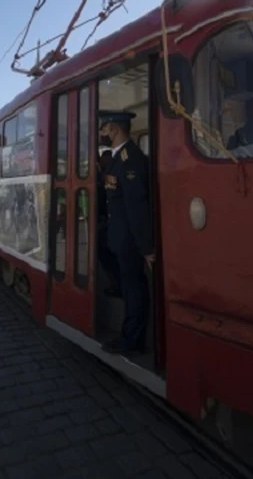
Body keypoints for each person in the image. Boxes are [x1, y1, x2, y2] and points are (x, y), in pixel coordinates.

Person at [97, 110, 154, 357]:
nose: (102, 133)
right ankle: (119, 288)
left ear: (114, 129)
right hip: (119, 236)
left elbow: (137, 207)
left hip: (130, 239)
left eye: (104, 128)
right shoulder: (118, 159)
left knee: (135, 289)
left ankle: (132, 340)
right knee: (102, 248)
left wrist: (147, 248)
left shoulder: (131, 160)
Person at [96, 149, 122, 297]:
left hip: (108, 221)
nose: (101, 160)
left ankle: (118, 285)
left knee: (106, 253)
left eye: (104, 158)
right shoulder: (105, 173)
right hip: (106, 220)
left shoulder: (108, 174)